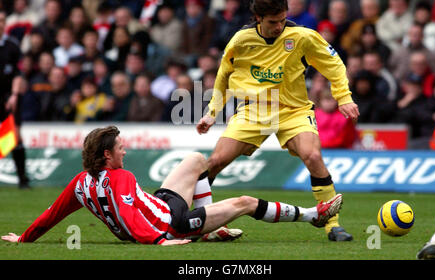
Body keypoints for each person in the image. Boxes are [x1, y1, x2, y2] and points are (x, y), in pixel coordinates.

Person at [196, 0, 359, 242]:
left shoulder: (303, 37)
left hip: (293, 110)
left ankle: (332, 224)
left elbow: (334, 65)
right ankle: (199, 220)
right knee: (214, 162)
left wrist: (344, 97)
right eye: (273, 22)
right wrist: (211, 112)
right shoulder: (241, 40)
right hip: (254, 111)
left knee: (313, 155)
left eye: (283, 20)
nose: (279, 26)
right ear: (258, 18)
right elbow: (224, 74)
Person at [1, 126, 343, 245]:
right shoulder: (122, 177)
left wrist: (25, 237)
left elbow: (51, 214)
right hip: (172, 223)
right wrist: (160, 240)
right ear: (107, 155)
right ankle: (313, 215)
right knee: (244, 202)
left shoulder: (80, 183)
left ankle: (208, 228)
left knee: (196, 160)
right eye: (121, 147)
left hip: (163, 205)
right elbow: (127, 214)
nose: (126, 150)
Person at [0, 9, 29, 189]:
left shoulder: (12, 46)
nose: (0, 23)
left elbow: (18, 74)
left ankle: (22, 179)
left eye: (3, 20)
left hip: (7, 97)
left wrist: (14, 94)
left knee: (16, 137)